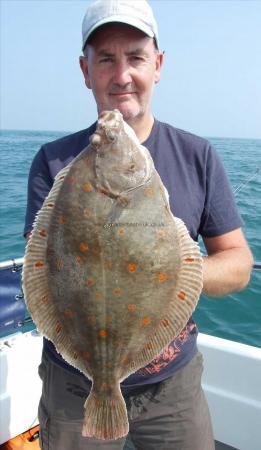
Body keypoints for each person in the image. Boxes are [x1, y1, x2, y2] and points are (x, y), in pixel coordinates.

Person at [24, 1, 253, 449]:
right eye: (105, 59)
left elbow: (239, 265)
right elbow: (43, 273)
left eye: (135, 57)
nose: (122, 74)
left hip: (173, 387)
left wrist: (176, 273)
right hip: (74, 386)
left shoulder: (198, 155)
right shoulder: (52, 162)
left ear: (158, 65)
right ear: (85, 71)